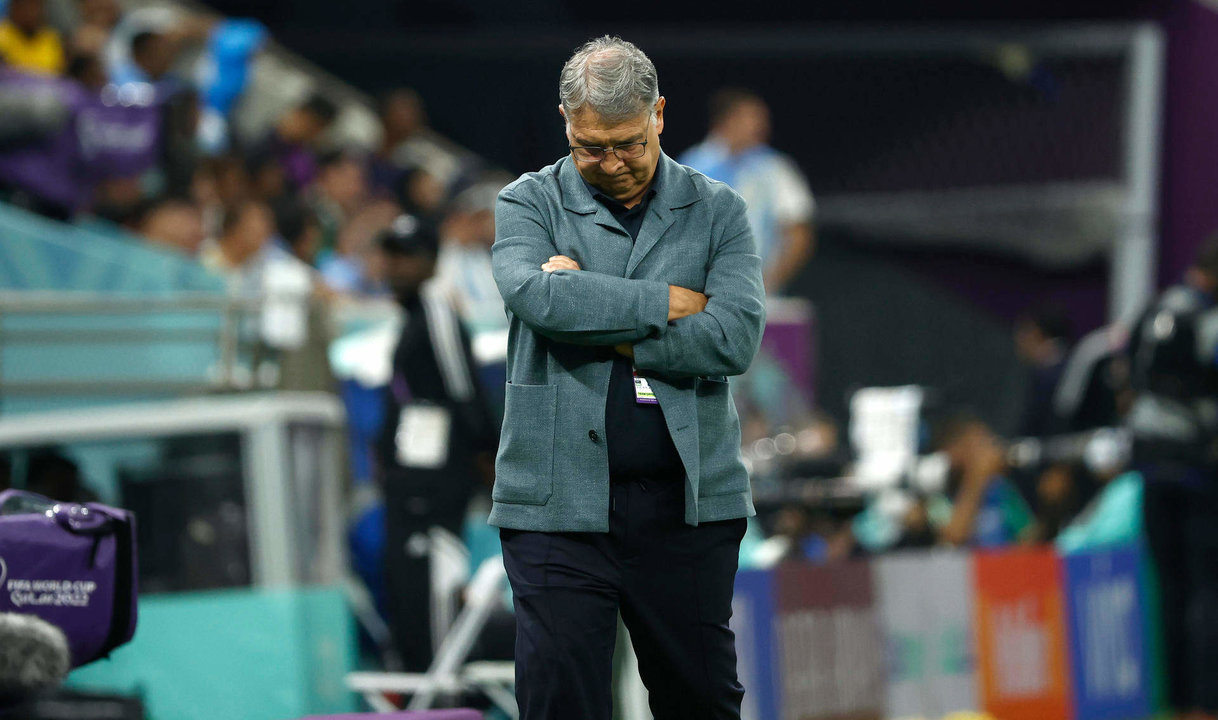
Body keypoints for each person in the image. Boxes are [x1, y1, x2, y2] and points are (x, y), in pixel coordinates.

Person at [490, 36, 765, 720]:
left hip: (686, 507)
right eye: (590, 146)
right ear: (565, 122)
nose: (610, 162)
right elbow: (537, 299)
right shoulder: (525, 203)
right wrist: (665, 303)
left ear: (660, 116)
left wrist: (588, 308)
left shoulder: (719, 210)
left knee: (700, 700)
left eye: (628, 143)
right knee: (559, 701)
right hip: (554, 508)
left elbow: (732, 339)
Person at [374, 214, 499, 671]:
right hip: (417, 482)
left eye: (407, 257)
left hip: (433, 482)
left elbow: (462, 387)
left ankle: (439, 683)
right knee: (412, 582)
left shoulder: (436, 308)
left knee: (431, 583)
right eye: (391, 256)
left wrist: (485, 454)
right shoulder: (416, 313)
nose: (394, 267)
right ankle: (426, 676)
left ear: (431, 261)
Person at [1127, 236, 1218, 720]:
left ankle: (1173, 704)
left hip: (1150, 465)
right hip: (1196, 472)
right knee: (1207, 589)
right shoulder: (1208, 319)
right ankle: (1205, 705)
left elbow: (1126, 378)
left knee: (1169, 589)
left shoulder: (1154, 311)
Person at [679, 88, 814, 294]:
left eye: (762, 120)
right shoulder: (689, 167)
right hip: (698, 296)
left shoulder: (775, 169)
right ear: (727, 120)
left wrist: (770, 282)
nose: (761, 127)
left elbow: (799, 232)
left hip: (757, 295)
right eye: (752, 119)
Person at [0, 0, 65, 76]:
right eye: (24, 6)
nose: (30, 12)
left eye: (35, 6)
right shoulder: (2, 37)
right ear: (14, 8)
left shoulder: (52, 40)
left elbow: (60, 78)